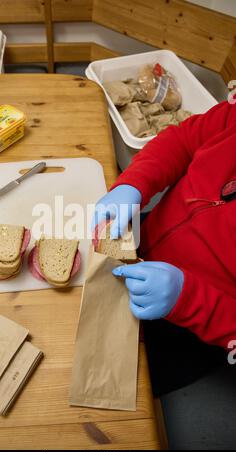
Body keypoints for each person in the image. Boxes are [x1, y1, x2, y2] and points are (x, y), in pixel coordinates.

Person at [93, 100, 236, 396]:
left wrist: (188, 299)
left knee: (113, 381)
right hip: (145, 235)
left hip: (192, 330)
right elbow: (183, 140)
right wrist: (133, 184)